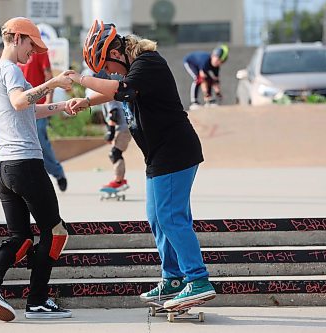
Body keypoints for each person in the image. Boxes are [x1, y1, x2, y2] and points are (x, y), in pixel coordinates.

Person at [67, 20, 216, 308]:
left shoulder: (149, 63)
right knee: (157, 218)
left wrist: (81, 79)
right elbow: (116, 89)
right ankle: (173, 279)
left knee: (171, 217)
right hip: (159, 154)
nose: (108, 71)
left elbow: (121, 89)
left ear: (118, 52)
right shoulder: (136, 68)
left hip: (175, 151)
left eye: (107, 65)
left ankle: (197, 279)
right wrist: (86, 103)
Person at [0, 17, 75, 321]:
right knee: (56, 231)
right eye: (32, 45)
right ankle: (37, 301)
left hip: (4, 167)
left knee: (20, 236)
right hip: (26, 165)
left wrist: (63, 106)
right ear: (18, 38)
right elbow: (21, 102)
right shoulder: (11, 71)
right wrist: (53, 83)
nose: (33, 53)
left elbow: (28, 109)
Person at [18, 52, 68, 192]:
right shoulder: (13, 56)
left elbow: (48, 76)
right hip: (20, 108)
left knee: (41, 142)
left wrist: (49, 100)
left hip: (38, 107)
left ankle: (58, 172)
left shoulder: (39, 53)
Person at [100, 92, 132, 190]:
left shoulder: (106, 95)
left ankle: (119, 181)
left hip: (122, 128)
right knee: (115, 153)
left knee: (115, 153)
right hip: (124, 127)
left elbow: (113, 114)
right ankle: (120, 180)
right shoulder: (109, 93)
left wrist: (111, 133)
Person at [183, 45, 229, 110]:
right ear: (213, 56)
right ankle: (194, 102)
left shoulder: (216, 67)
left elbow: (216, 81)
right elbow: (203, 79)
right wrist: (206, 94)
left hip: (200, 66)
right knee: (198, 79)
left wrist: (218, 92)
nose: (217, 62)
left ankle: (209, 101)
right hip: (190, 62)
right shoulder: (205, 61)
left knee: (210, 80)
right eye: (217, 59)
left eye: (220, 62)